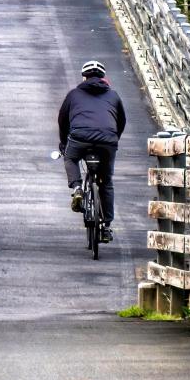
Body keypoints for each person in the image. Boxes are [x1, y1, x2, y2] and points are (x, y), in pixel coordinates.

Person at [58, 59, 126, 243]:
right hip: (107, 141)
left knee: (70, 159)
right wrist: (112, 139)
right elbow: (121, 121)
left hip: (80, 138)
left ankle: (78, 188)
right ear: (103, 77)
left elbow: (63, 121)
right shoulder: (113, 95)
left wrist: (64, 144)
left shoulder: (73, 95)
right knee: (107, 182)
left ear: (84, 76)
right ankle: (106, 227)